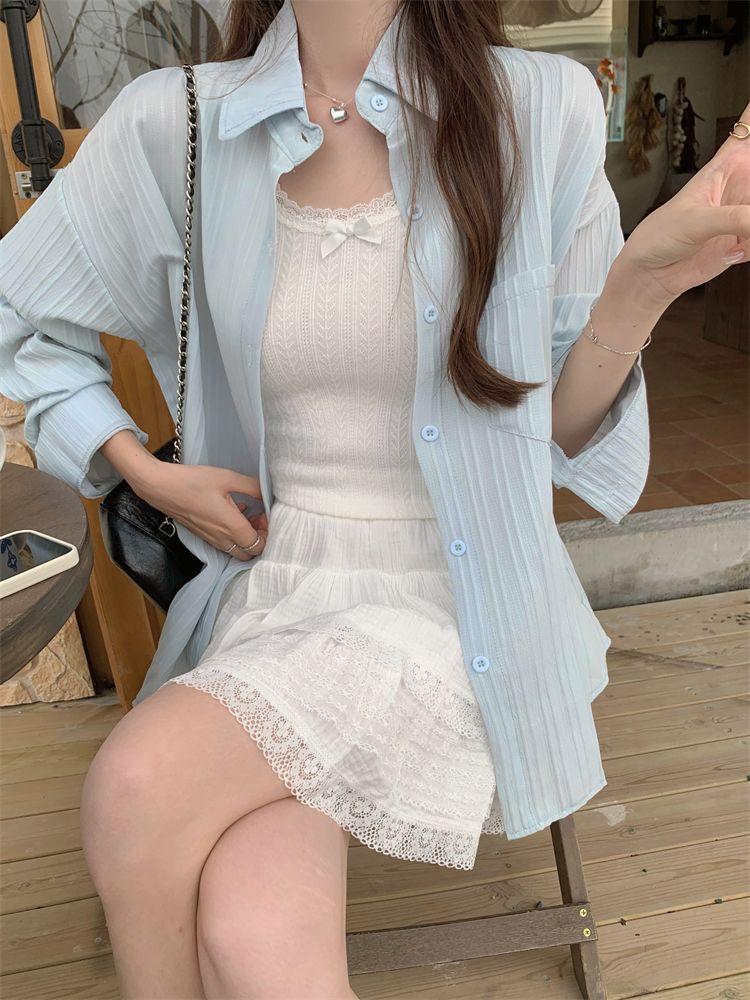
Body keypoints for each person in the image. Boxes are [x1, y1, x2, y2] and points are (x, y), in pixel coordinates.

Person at [0, 1, 747, 996]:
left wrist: (643, 290)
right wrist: (143, 467)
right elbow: (21, 309)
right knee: (253, 938)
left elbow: (559, 435)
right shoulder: (176, 123)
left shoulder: (543, 108)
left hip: (457, 603)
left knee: (137, 784)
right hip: (273, 589)